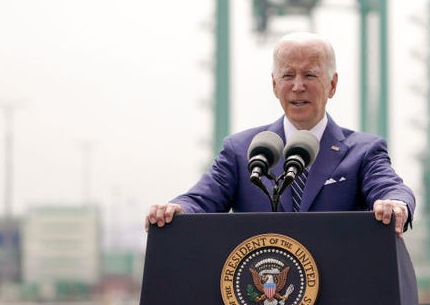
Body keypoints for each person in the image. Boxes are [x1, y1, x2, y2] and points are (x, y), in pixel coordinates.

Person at [146, 32, 415, 235]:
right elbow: (201, 199)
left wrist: (395, 203)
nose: (298, 86)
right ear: (275, 85)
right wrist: (176, 209)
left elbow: (390, 188)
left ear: (332, 85)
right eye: (288, 76)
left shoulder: (364, 151)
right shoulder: (242, 151)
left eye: (309, 75)